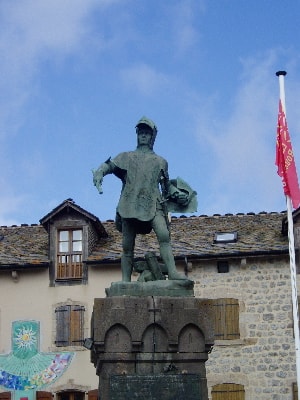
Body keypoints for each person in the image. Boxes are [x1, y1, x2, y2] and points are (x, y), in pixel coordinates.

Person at [93, 117, 189, 282]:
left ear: (153, 137)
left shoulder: (161, 161)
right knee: (127, 245)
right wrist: (100, 172)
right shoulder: (126, 157)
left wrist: (178, 194)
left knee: (164, 235)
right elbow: (109, 166)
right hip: (130, 203)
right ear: (137, 135)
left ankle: (172, 272)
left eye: (147, 133)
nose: (143, 135)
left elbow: (166, 186)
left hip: (154, 202)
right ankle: (125, 280)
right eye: (141, 132)